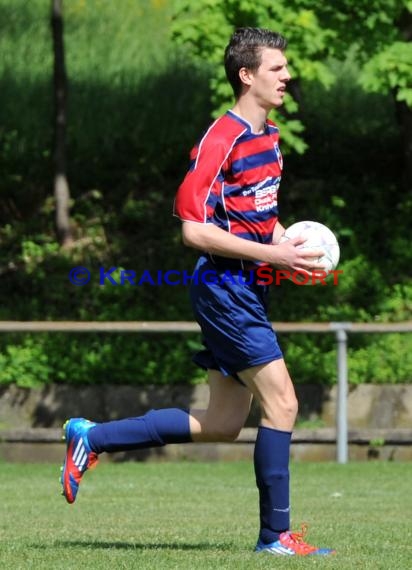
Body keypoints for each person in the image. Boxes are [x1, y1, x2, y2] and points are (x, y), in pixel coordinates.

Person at [60, 27, 335, 557]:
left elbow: (261, 219)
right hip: (224, 287)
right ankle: (274, 538)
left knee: (223, 423)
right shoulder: (219, 139)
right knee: (283, 402)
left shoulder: (271, 139)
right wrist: (275, 255)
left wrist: (294, 248)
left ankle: (91, 437)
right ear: (246, 75)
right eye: (277, 69)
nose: (287, 76)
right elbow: (193, 230)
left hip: (250, 286)